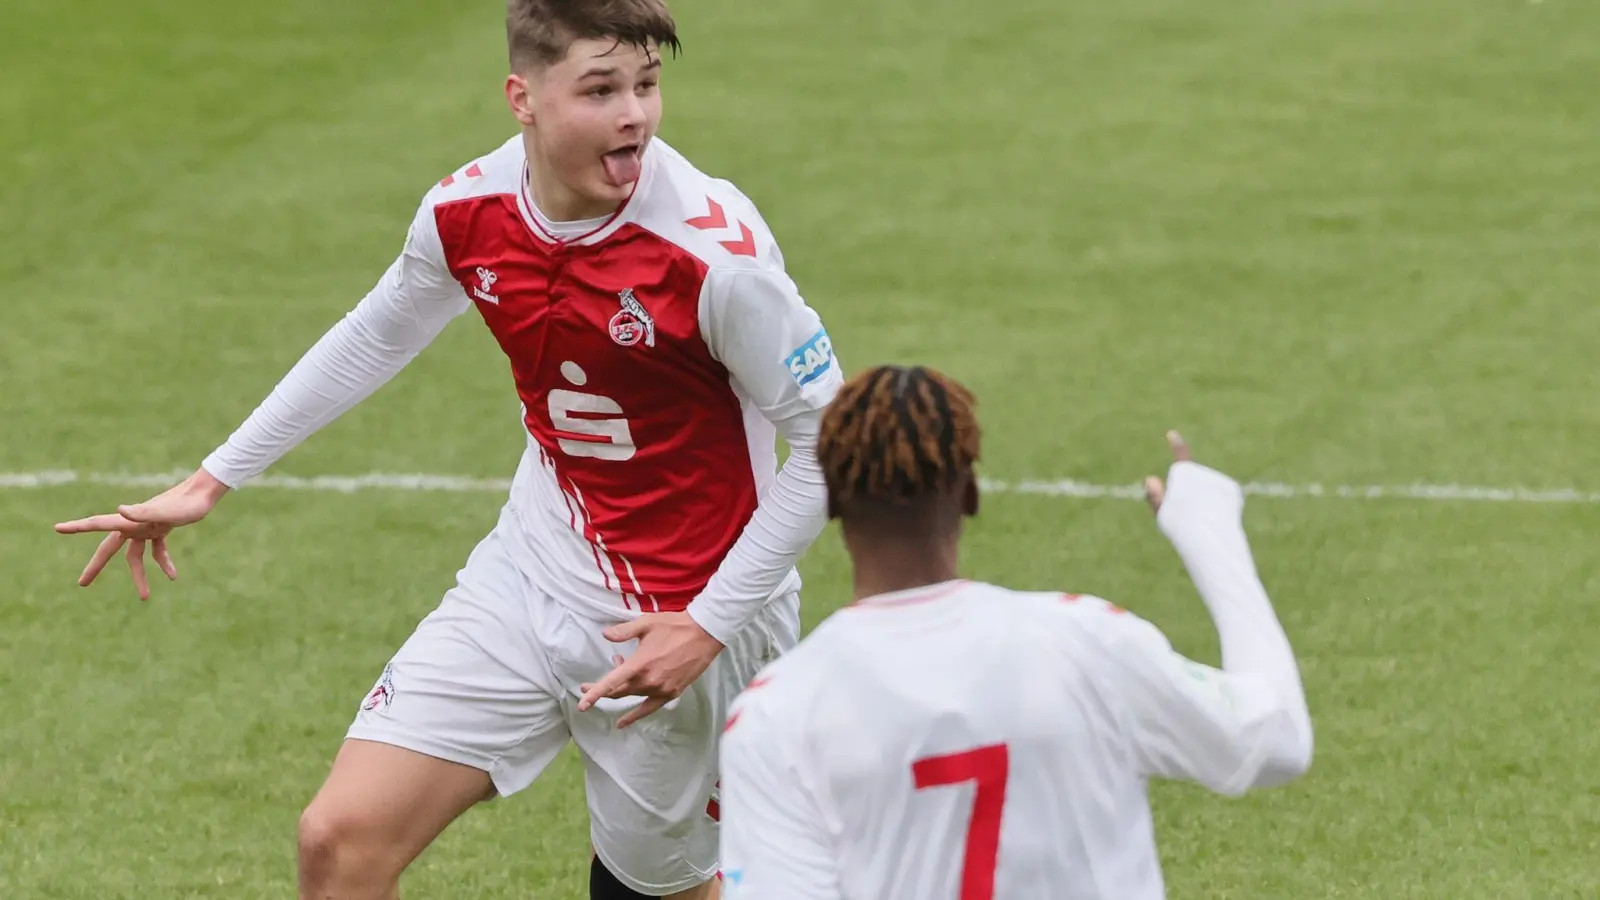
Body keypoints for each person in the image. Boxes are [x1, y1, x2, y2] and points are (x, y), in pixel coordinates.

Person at [53, 2, 844, 897]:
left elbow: (829, 439)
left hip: (680, 622)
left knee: (656, 892)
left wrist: (706, 627)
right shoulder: (468, 211)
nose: (635, 114)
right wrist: (212, 479)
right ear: (524, 98)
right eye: (601, 89)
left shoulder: (713, 257)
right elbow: (374, 335)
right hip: (529, 575)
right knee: (339, 840)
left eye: (647, 85)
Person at [716, 365, 1314, 899]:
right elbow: (1277, 739)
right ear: (971, 493)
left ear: (835, 504)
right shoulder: (1087, 643)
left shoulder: (777, 716)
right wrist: (1209, 533)